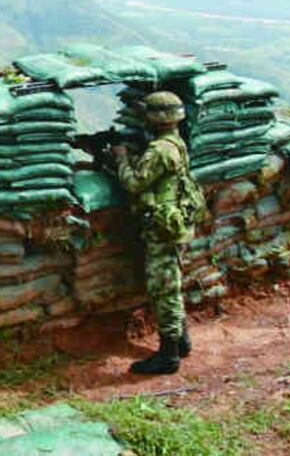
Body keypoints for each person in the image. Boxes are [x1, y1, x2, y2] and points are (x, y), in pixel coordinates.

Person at [110, 90, 198, 375]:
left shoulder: (160, 150)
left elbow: (134, 184)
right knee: (171, 282)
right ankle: (181, 341)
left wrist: (120, 159)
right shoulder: (175, 142)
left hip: (162, 227)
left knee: (164, 289)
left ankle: (168, 356)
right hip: (175, 223)